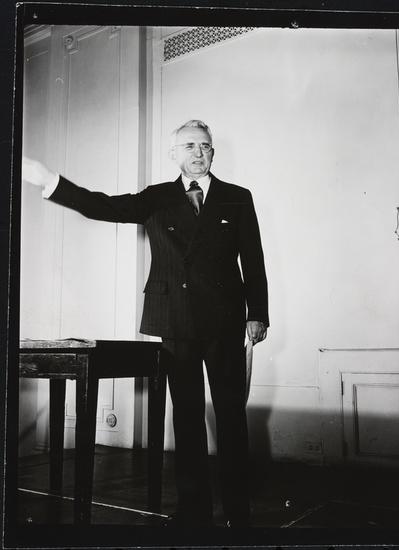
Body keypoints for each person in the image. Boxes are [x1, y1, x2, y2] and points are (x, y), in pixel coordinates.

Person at [22, 119, 269, 528]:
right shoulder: (158, 197)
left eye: (205, 146)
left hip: (225, 321)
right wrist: (50, 182)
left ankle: (237, 514)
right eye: (189, 146)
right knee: (186, 418)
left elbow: (254, 260)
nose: (198, 153)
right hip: (175, 321)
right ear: (174, 154)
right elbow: (105, 206)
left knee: (230, 417)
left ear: (213, 151)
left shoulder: (237, 197)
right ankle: (194, 512)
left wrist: (257, 314)